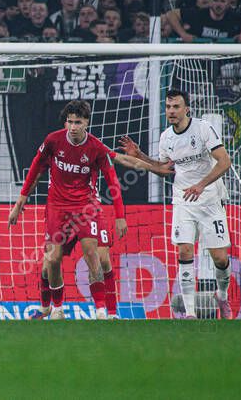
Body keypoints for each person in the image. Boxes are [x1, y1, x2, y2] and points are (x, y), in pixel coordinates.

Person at [8, 100, 145, 320]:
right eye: (69, 122)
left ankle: (103, 311)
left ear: (86, 123)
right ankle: (56, 308)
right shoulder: (53, 141)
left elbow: (112, 181)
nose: (72, 127)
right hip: (57, 207)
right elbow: (35, 168)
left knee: (95, 255)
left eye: (77, 122)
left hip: (85, 207)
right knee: (51, 260)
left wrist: (120, 216)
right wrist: (20, 202)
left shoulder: (96, 147)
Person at [119, 89, 236, 319]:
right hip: (183, 199)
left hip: (210, 198)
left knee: (220, 258)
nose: (171, 111)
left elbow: (225, 162)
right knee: (184, 250)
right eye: (168, 107)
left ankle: (221, 295)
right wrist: (140, 155)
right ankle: (190, 313)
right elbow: (164, 169)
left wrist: (201, 185)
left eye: (176, 107)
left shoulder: (203, 128)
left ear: (186, 109)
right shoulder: (166, 137)